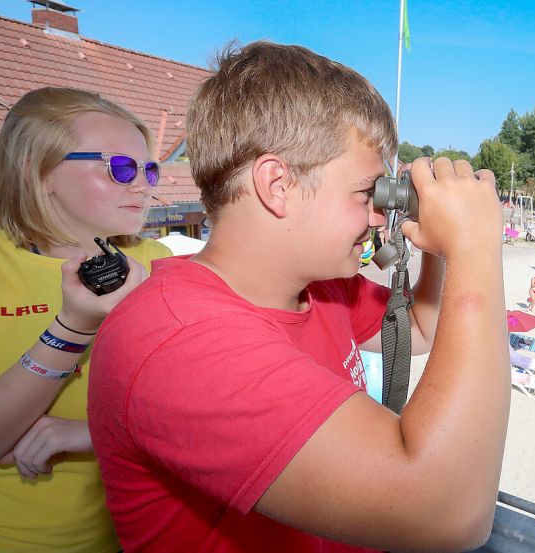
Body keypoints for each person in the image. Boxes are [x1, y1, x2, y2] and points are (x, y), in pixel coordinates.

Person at [87, 42, 508, 552]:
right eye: (367, 193)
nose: (379, 216)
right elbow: (449, 512)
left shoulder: (319, 289)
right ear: (277, 184)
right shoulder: (178, 344)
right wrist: (476, 248)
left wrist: (442, 246)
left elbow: (420, 329)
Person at [0, 88, 172, 551]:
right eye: (120, 167)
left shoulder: (160, 264)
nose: (143, 184)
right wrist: (72, 328)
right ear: (39, 169)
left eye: (148, 169)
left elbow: (204, 413)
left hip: (142, 536)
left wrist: (98, 433)